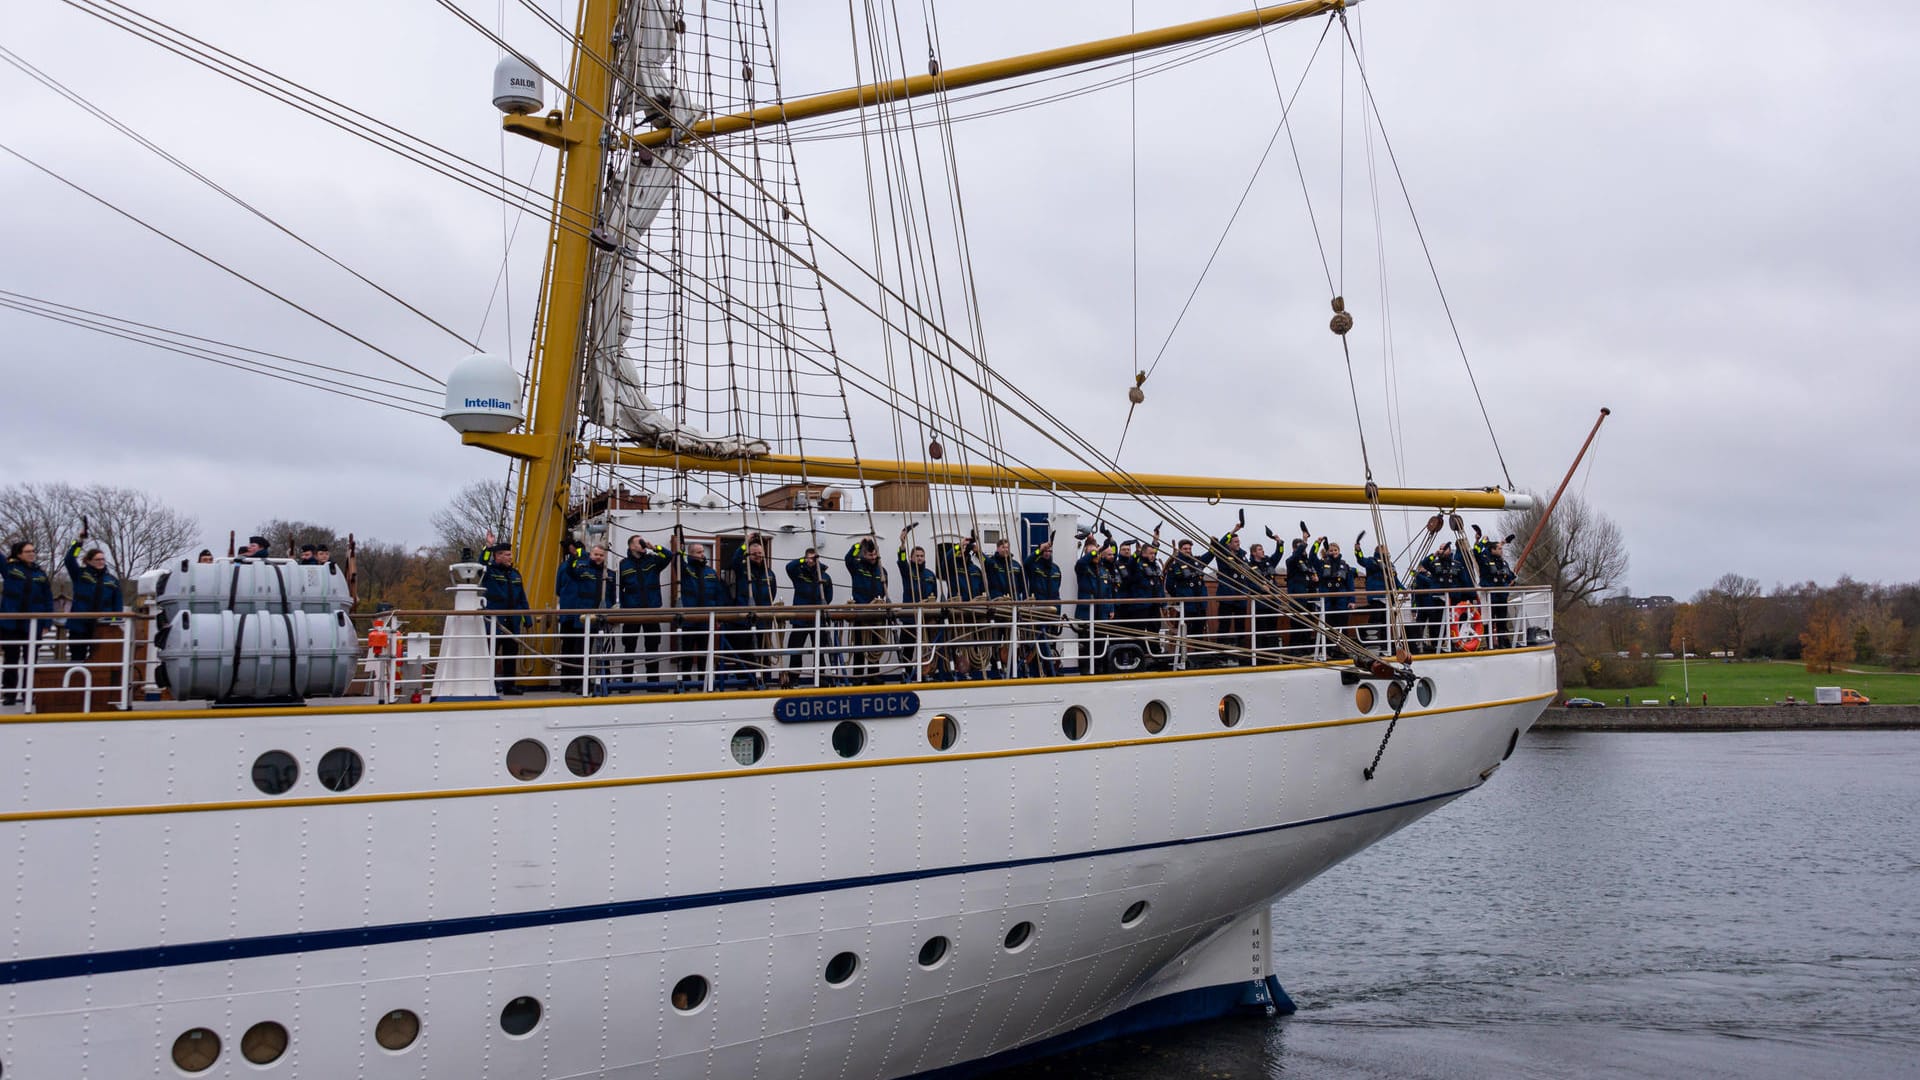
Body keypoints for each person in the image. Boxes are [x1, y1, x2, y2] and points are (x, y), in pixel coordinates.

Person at [2, 540, 54, 703]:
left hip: (33, 625)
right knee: (11, 658)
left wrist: (47, 622)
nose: (32, 554)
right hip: (12, 623)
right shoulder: (10, 568)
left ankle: (28, 694)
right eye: (27, 551)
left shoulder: (40, 573)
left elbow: (48, 599)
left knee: (31, 660)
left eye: (33, 551)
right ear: (19, 554)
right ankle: (10, 694)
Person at [555, 542, 611, 689]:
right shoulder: (582, 570)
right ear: (590, 555)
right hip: (583, 618)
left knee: (601, 650)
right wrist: (574, 559)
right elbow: (570, 573)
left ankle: (602, 682)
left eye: (601, 555)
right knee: (580, 651)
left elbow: (610, 595)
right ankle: (579, 683)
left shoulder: (609, 574)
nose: (598, 558)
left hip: (600, 618)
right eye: (595, 555)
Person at [617, 534, 671, 680]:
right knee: (629, 647)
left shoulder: (653, 560)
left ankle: (653, 682)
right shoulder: (624, 564)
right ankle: (626, 682)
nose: (642, 544)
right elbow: (620, 588)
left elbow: (669, 556)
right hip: (632, 611)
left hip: (651, 610)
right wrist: (623, 608)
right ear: (632, 546)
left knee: (652, 646)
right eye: (639, 542)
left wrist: (654, 547)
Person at [674, 540, 728, 685]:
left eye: (703, 551)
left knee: (705, 654)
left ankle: (704, 683)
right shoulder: (685, 570)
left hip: (706, 620)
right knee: (686, 654)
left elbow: (719, 594)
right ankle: (684, 683)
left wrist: (718, 617)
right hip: (689, 620)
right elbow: (677, 563)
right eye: (699, 552)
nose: (702, 555)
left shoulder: (710, 572)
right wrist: (679, 551)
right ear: (690, 554)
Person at [63, 533, 122, 665]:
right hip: (79, 624)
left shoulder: (112, 580)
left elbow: (117, 604)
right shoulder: (80, 574)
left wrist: (115, 621)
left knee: (100, 657)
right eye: (97, 559)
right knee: (77, 656)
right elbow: (69, 560)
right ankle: (76, 683)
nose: (101, 562)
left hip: (102, 625)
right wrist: (78, 543)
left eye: (102, 559)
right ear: (88, 561)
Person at [937, 535, 990, 679]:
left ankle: (974, 670)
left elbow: (990, 566)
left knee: (974, 643)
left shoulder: (975, 570)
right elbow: (945, 561)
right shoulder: (952, 567)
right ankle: (955, 672)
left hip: (974, 612)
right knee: (956, 643)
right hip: (957, 611)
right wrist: (957, 546)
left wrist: (979, 552)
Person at [480, 541, 529, 694]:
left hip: (512, 620)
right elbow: (480, 564)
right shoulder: (489, 572)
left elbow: (522, 598)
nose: (510, 557)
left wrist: (527, 619)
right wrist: (487, 548)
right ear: (498, 556)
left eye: (510, 554)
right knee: (491, 653)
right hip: (495, 620)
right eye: (507, 555)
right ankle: (489, 685)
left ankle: (509, 686)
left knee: (511, 653)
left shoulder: (515, 574)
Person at [729, 538, 780, 685]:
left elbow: (772, 592)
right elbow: (735, 560)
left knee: (764, 649)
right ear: (748, 554)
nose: (758, 555)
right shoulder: (742, 569)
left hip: (763, 619)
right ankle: (745, 681)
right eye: (754, 553)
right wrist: (745, 542)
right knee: (745, 651)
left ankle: (765, 679)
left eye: (760, 553)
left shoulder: (769, 573)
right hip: (745, 619)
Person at [784, 547, 835, 685]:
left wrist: (820, 608)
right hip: (800, 619)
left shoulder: (824, 576)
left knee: (819, 650)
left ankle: (821, 678)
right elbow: (789, 567)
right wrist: (802, 560)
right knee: (796, 650)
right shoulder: (798, 573)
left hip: (817, 619)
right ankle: (793, 679)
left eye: (814, 558)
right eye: (809, 558)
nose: (812, 561)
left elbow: (828, 596)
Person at [1073, 534, 1119, 673]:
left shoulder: (1104, 570)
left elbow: (1108, 591)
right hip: (1086, 613)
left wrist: (1110, 608)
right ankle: (1087, 670)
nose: (1096, 555)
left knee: (1101, 644)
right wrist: (1095, 550)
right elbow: (1081, 563)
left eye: (1098, 553)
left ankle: (1100, 669)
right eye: (1092, 553)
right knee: (1087, 644)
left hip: (1102, 613)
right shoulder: (1082, 568)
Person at [895, 529, 938, 679]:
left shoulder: (930, 575)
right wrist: (902, 544)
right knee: (907, 648)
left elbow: (934, 596)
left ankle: (925, 673)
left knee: (925, 648)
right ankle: (905, 674)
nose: (920, 558)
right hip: (910, 618)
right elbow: (901, 561)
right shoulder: (908, 571)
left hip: (925, 619)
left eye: (922, 556)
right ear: (912, 558)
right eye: (917, 556)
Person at [982, 537, 1026, 677]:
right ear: (997, 548)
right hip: (998, 605)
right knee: (996, 637)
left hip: (1012, 607)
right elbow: (983, 560)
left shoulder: (1016, 565)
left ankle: (1012, 664)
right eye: (1003, 547)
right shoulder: (992, 564)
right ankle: (996, 666)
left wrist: (1021, 600)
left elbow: (1021, 585)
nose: (1005, 550)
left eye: (1007, 547)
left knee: (1012, 637)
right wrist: (977, 550)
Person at [1021, 537, 1063, 677]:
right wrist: (1040, 549)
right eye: (1045, 550)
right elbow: (1026, 563)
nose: (1047, 553)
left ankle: (1050, 670)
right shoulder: (1034, 566)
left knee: (1049, 642)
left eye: (1049, 550)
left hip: (1053, 610)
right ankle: (1039, 672)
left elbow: (1058, 589)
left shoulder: (1056, 569)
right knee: (1038, 642)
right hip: (1038, 610)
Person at [1354, 533, 1399, 648]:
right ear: (1381, 551)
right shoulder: (1372, 562)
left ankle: (1386, 645)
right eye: (1386, 550)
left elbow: (1395, 581)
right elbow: (1361, 560)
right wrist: (1358, 550)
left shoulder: (1390, 565)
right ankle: (1370, 643)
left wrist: (1403, 590)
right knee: (1376, 619)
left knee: (1386, 621)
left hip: (1388, 598)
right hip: (1376, 597)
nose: (1388, 553)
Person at [1473, 530, 1517, 648]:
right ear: (1492, 550)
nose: (1501, 550)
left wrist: (1509, 583)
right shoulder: (1484, 560)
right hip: (1490, 597)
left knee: (1502, 621)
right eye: (1499, 548)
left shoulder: (1503, 563)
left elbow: (1511, 576)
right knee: (1489, 621)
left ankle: (1502, 643)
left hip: (1501, 596)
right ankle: (1490, 644)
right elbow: (1476, 552)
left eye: (1501, 548)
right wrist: (1481, 541)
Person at [1283, 531, 1321, 657]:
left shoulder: (1307, 563)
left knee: (1308, 623)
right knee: (1297, 624)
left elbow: (1311, 575)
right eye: (1301, 548)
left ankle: (1306, 648)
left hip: (1309, 598)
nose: (1304, 550)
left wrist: (1315, 579)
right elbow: (1297, 555)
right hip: (1297, 599)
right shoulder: (1291, 561)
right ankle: (1296, 650)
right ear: (1295, 548)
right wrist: (1304, 542)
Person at [1317, 539, 1357, 658]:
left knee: (1342, 626)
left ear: (1339, 551)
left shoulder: (1345, 566)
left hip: (1341, 600)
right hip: (1328, 601)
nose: (1333, 552)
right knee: (1329, 626)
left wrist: (1352, 601)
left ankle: (1343, 650)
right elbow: (1312, 558)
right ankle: (1329, 651)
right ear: (1327, 552)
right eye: (1331, 550)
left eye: (1335, 550)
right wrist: (1317, 544)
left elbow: (1350, 585)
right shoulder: (1322, 565)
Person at [1164, 538, 1210, 641]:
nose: (1188, 550)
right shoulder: (1175, 566)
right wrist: (1179, 596)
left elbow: (1209, 556)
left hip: (1200, 604)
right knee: (1185, 630)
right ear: (1180, 550)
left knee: (1199, 629)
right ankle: (1184, 654)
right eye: (1185, 549)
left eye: (1189, 548)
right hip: (1187, 605)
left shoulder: (1197, 562)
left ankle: (1198, 654)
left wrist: (1212, 548)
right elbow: (1169, 586)